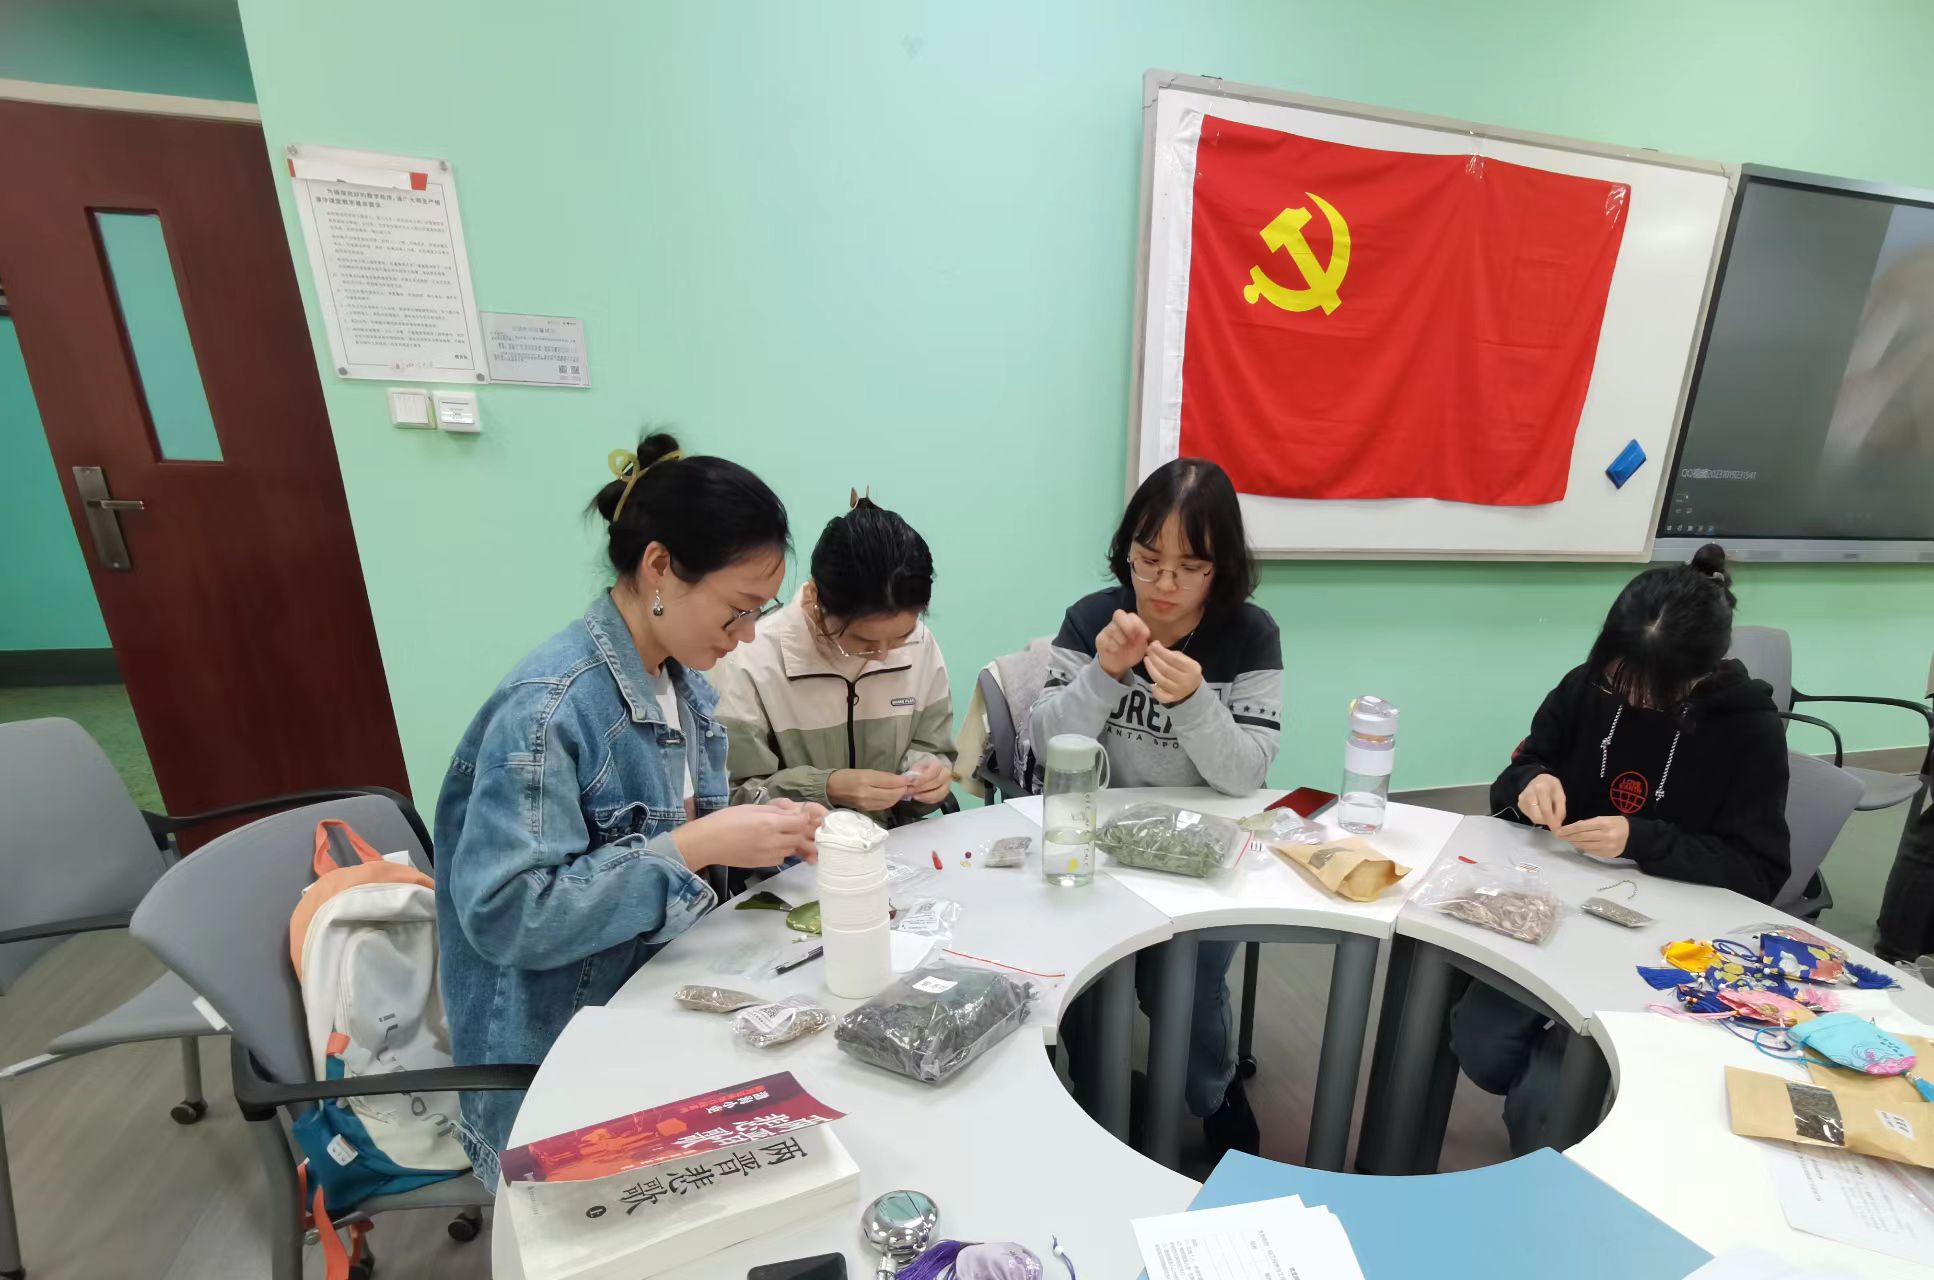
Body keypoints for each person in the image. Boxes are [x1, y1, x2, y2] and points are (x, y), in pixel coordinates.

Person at [434, 434, 826, 1181]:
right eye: (738, 610)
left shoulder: (681, 685)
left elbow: (668, 839)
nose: (747, 636)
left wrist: (762, 827)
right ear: (659, 568)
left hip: (655, 1009)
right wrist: (695, 846)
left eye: (760, 612)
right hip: (557, 1062)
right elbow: (508, 915)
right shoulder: (549, 710)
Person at [1450, 543, 1791, 1155]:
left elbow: (1758, 870)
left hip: (1665, 944)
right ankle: (1567, 1083)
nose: (1629, 698)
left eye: (1652, 692)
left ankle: (1574, 1112)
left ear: (1701, 673)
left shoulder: (1748, 729)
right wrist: (1531, 782)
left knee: (1548, 1102)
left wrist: (1642, 839)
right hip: (1552, 912)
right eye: (1618, 678)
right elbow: (1519, 771)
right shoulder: (1586, 686)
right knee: (1482, 1043)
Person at [1030, 457, 1282, 1158]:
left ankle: (1215, 1091)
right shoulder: (1093, 619)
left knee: (1189, 988)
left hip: (1200, 853)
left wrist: (1196, 701)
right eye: (1148, 561)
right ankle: (1094, 1098)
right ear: (1127, 553)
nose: (1164, 585)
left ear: (1221, 568)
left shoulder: (1250, 634)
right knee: (1088, 984)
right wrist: (1103, 673)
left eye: (1190, 567)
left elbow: (1246, 775)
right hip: (1098, 848)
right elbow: (1048, 745)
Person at [714, 493, 957, 826]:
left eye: (901, 636)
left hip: (894, 846)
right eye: (864, 641)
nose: (883, 654)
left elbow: (934, 747)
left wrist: (928, 775)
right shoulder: (751, 659)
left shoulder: (921, 644)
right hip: (795, 852)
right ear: (815, 599)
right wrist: (826, 787)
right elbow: (732, 798)